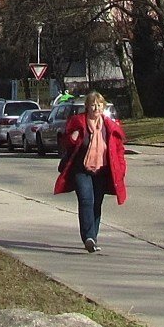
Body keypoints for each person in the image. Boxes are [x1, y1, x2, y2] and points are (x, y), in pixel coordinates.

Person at [53, 91, 127, 252]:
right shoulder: (77, 122)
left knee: (97, 204)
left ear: (103, 107)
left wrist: (121, 169)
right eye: (93, 105)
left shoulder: (109, 127)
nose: (96, 108)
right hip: (81, 169)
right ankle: (88, 237)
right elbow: (64, 142)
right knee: (86, 201)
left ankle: (93, 237)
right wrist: (72, 138)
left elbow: (119, 151)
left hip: (102, 170)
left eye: (99, 105)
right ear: (87, 106)